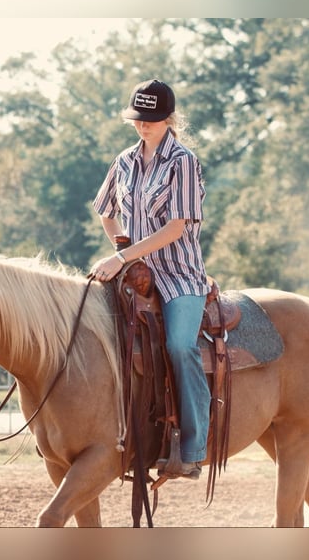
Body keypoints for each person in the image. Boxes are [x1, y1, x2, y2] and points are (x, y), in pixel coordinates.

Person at [90, 79, 210, 480]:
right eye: (138, 120)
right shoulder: (123, 161)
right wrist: (122, 246)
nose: (144, 127)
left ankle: (193, 448)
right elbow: (105, 211)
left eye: (152, 120)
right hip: (134, 271)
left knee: (179, 346)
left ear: (169, 119)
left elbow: (177, 227)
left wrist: (122, 254)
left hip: (179, 274)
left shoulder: (184, 162)